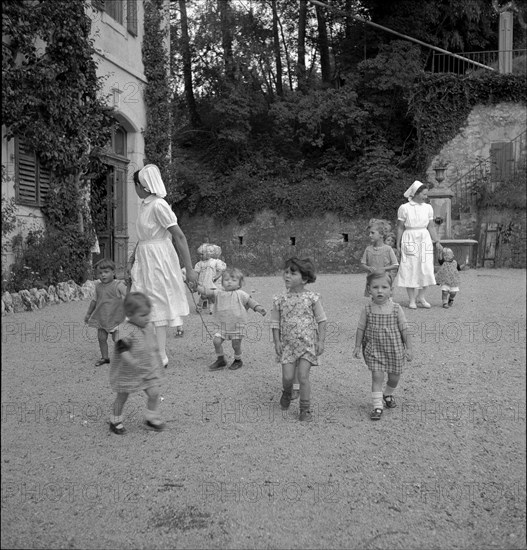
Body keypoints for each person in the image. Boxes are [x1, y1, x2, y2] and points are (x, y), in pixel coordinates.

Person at [128, 165, 198, 368]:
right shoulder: (145, 206)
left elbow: (179, 235)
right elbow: (143, 238)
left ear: (144, 186)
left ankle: (160, 355)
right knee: (143, 303)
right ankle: (152, 350)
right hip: (145, 257)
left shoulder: (159, 205)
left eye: (136, 184)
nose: (135, 188)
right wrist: (133, 259)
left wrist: (190, 269)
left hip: (158, 259)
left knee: (156, 303)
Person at [271, 258, 327, 422]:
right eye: (286, 272)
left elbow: (322, 320)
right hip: (288, 346)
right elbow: (275, 323)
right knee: (288, 377)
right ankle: (287, 391)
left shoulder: (312, 298)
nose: (287, 275)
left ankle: (305, 409)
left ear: (304, 278)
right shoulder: (279, 299)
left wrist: (321, 341)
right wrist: (277, 342)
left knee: (303, 376)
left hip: (307, 345)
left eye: (292, 273)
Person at [353, 271, 413, 421]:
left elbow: (404, 329)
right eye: (375, 287)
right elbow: (360, 328)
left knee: (394, 378)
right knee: (377, 376)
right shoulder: (367, 310)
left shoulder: (396, 308)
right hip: (375, 350)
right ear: (368, 290)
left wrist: (409, 348)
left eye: (384, 287)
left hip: (394, 349)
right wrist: (356, 346)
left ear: (391, 290)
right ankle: (377, 406)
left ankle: (387, 393)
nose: (380, 290)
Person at [109, 292, 165, 434]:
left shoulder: (146, 326)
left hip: (146, 369)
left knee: (154, 392)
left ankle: (151, 418)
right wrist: (132, 361)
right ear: (129, 314)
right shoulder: (125, 329)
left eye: (148, 314)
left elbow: (150, 345)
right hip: (127, 371)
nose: (147, 318)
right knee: (122, 396)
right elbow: (122, 349)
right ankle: (115, 420)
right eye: (143, 315)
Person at [198, 267, 266, 371]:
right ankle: (221, 360)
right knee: (216, 341)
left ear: (239, 283)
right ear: (222, 282)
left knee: (236, 344)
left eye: (233, 280)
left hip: (236, 325)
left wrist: (258, 308)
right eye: (226, 280)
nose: (229, 282)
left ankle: (238, 360)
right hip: (222, 325)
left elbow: (249, 301)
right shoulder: (218, 292)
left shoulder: (240, 294)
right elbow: (207, 292)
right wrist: (196, 287)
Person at [396, 181, 443, 309]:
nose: (425, 197)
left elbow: (431, 226)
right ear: (416, 193)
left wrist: (437, 241)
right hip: (409, 237)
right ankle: (411, 299)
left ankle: (421, 297)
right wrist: (398, 244)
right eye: (423, 194)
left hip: (424, 237)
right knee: (410, 267)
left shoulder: (428, 208)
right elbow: (400, 227)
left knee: (426, 266)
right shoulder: (404, 208)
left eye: (426, 194)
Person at [84, 258, 127, 366]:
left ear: (113, 272)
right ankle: (105, 357)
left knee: (116, 338)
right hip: (102, 317)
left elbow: (128, 294)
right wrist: (88, 314)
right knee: (101, 338)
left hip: (116, 317)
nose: (103, 275)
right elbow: (94, 301)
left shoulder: (118, 285)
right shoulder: (98, 286)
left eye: (106, 272)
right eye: (100, 273)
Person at [360, 219, 399, 296]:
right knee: (374, 297)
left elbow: (395, 265)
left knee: (385, 297)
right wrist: (368, 268)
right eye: (369, 233)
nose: (370, 235)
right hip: (372, 278)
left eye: (372, 233)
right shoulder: (368, 249)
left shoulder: (388, 249)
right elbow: (362, 264)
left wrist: (384, 269)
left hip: (384, 279)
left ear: (381, 234)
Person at [194, 243, 226, 314]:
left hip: (212, 282)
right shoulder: (199, 264)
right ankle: (199, 305)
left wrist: (216, 277)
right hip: (204, 282)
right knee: (204, 295)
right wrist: (195, 280)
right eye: (199, 254)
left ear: (208, 254)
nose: (200, 256)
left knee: (212, 296)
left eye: (202, 254)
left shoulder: (215, 262)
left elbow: (220, 271)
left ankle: (211, 310)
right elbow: (196, 272)